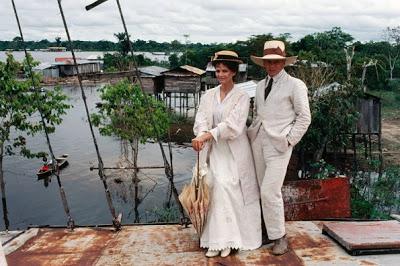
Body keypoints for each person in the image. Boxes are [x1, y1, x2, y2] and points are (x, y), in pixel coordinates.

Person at [192, 50, 261, 258]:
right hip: (214, 150)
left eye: (225, 71)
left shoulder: (242, 97)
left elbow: (234, 126)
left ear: (233, 73)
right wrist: (201, 133)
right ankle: (216, 241)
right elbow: (201, 118)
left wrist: (207, 135)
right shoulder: (208, 95)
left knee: (228, 187)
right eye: (218, 70)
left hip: (234, 151)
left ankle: (232, 240)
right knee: (213, 186)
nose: (220, 74)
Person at [248, 40, 311, 255]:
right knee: (259, 189)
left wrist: (289, 140)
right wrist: (252, 135)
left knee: (269, 190)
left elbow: (304, 117)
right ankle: (267, 231)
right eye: (267, 62)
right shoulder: (258, 86)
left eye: (275, 62)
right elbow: (258, 114)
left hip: (279, 145)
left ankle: (280, 237)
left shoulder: (295, 85)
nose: (271, 66)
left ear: (283, 62)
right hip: (258, 142)